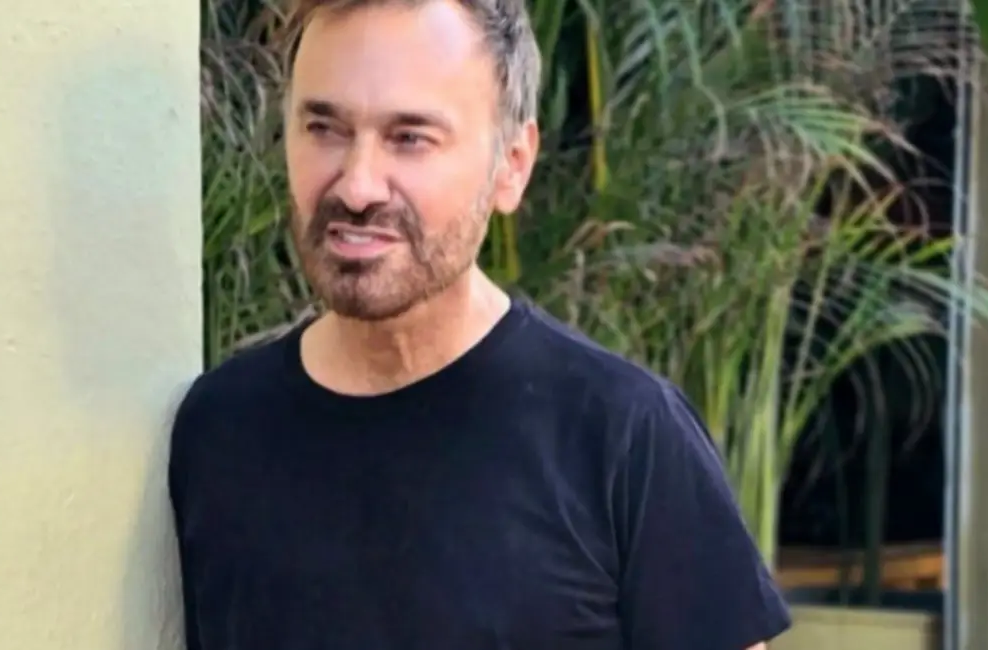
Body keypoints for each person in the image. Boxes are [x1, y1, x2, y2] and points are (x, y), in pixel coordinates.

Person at [167, 0, 792, 648]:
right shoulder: (219, 431)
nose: (357, 186)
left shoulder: (622, 436)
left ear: (512, 165)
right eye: (324, 128)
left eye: (409, 138)